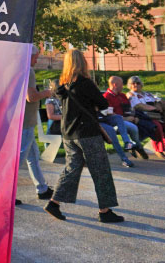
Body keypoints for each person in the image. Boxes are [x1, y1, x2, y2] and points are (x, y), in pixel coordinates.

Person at [44, 49, 123, 223]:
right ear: (82, 62)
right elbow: (103, 103)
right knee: (100, 170)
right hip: (87, 133)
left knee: (71, 169)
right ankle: (105, 211)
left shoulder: (61, 85)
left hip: (68, 134)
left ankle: (54, 202)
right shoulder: (85, 83)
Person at [16, 46, 54, 206]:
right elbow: (31, 97)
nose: (36, 60)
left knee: (32, 157)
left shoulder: (18, 70)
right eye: (35, 57)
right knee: (19, 160)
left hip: (23, 119)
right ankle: (5, 193)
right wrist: (47, 93)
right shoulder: (28, 71)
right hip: (27, 121)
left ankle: (42, 188)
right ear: (28, 57)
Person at [127, 76, 165, 158]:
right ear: (129, 85)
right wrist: (154, 108)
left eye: (138, 83)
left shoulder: (147, 94)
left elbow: (158, 100)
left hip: (156, 115)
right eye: (133, 83)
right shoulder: (130, 94)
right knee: (157, 127)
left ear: (141, 85)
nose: (135, 85)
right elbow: (138, 106)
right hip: (143, 117)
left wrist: (158, 104)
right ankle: (158, 149)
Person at [103, 76, 149, 160]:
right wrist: (125, 119)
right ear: (115, 85)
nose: (123, 86)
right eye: (121, 84)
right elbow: (110, 114)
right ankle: (138, 147)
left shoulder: (122, 96)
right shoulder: (106, 97)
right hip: (115, 123)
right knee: (133, 127)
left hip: (128, 119)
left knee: (148, 124)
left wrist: (134, 117)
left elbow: (129, 108)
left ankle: (134, 146)